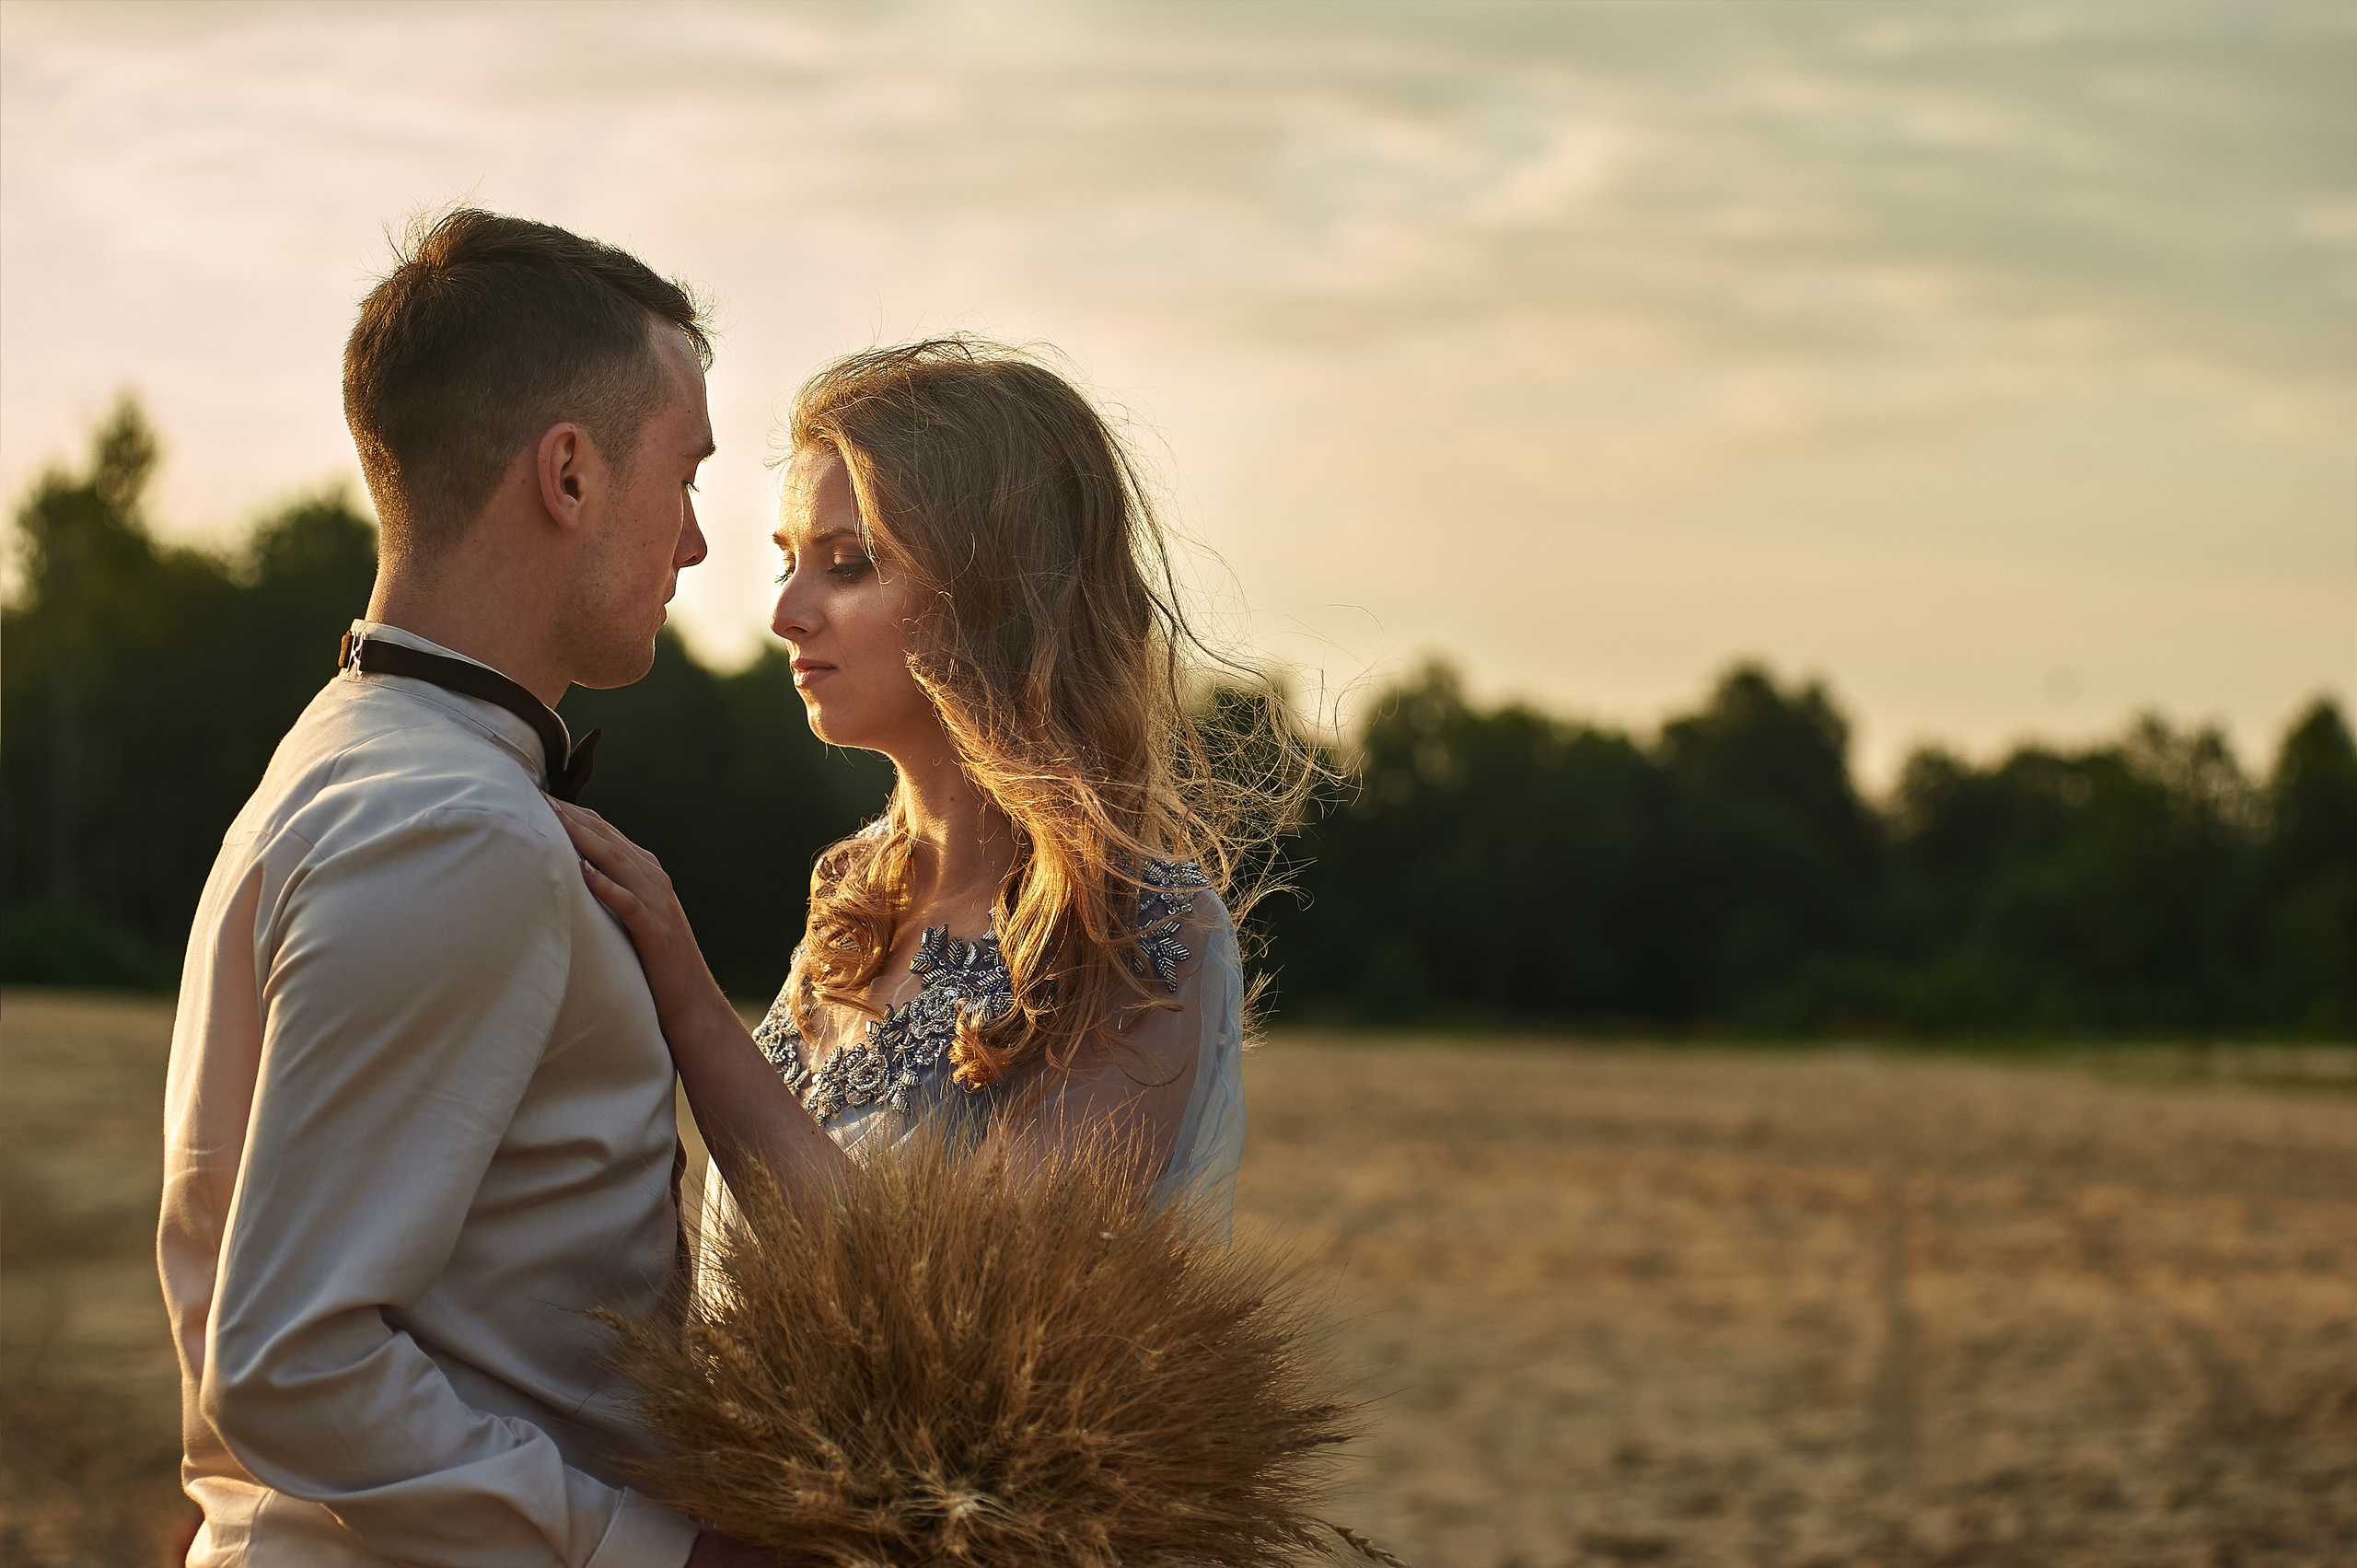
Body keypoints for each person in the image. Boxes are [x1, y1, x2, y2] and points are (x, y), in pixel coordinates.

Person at [158, 210, 774, 1566]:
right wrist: (658, 1552)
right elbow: (290, 1362)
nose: (694, 543)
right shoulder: (450, 824)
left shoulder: (344, 757)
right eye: (685, 474)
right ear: (569, 473)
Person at [553, 338, 1295, 1248]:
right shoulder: (853, 892)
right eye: (787, 562)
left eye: (846, 563)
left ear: (994, 591)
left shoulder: (1140, 929)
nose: (785, 614)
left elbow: (974, 1285)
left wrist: (693, 1006)